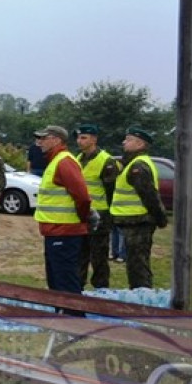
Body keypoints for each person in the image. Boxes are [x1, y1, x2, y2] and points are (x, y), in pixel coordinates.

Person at [32, 125, 93, 294]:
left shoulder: (64, 161)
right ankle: (62, 310)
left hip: (65, 231)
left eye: (44, 138)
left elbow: (82, 197)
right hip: (55, 230)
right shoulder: (56, 160)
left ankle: (72, 311)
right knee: (56, 281)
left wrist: (82, 218)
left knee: (65, 281)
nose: (40, 142)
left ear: (56, 140)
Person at [110, 126, 167, 289]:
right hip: (133, 221)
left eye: (128, 140)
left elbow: (150, 196)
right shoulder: (131, 163)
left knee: (138, 266)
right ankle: (138, 293)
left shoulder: (138, 166)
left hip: (139, 222)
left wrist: (161, 219)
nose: (124, 142)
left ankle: (142, 296)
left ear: (140, 144)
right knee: (134, 263)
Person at [74, 123, 118, 289]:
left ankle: (101, 289)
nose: (79, 141)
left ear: (94, 139)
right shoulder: (78, 159)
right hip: (82, 214)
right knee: (80, 254)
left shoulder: (106, 161)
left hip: (100, 216)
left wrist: (110, 216)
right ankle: (78, 287)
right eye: (78, 138)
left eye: (83, 138)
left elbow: (112, 191)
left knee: (98, 257)